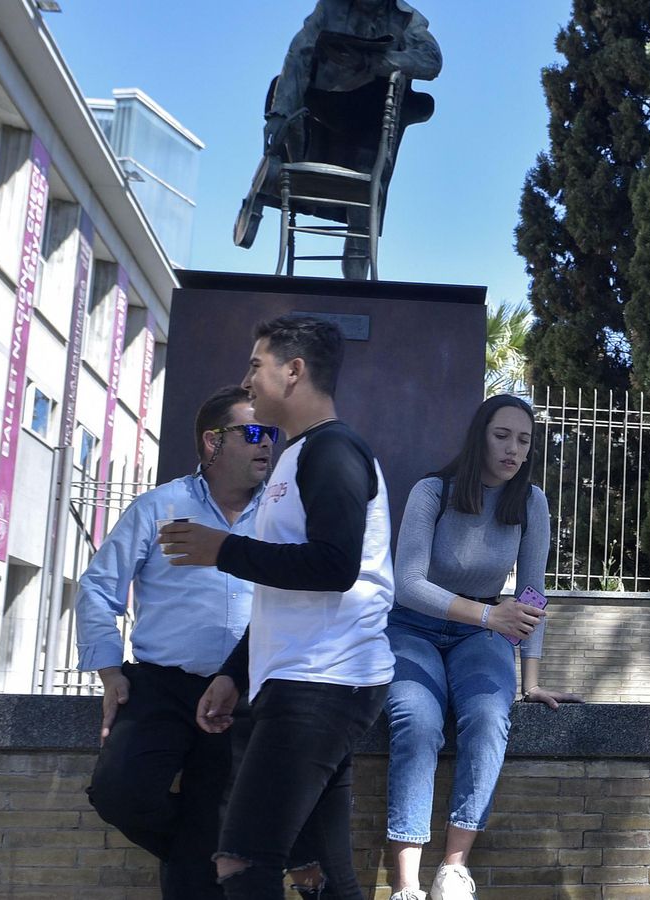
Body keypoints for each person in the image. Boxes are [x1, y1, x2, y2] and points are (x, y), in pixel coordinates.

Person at [159, 314, 394, 900]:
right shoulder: (297, 456)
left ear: (294, 372)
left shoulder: (333, 452)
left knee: (241, 861)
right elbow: (283, 588)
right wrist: (234, 674)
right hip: (310, 681)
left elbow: (334, 567)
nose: (246, 382)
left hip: (323, 683)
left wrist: (224, 550)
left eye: (255, 366)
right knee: (320, 875)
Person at [76, 386, 272, 900]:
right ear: (213, 441)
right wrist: (109, 670)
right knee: (119, 793)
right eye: (253, 432)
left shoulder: (281, 517)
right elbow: (98, 588)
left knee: (216, 824)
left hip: (246, 691)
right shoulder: (160, 506)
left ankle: (198, 854)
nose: (266, 444)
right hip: (162, 687)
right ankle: (196, 849)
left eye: (272, 433)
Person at [385, 394, 580, 900]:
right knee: (418, 720)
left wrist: (530, 679)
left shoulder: (530, 502)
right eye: (502, 436)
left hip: (482, 634)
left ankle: (453, 867)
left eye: (524, 439)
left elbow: (533, 591)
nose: (513, 449)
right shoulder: (433, 491)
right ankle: (406, 884)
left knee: (490, 718)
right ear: (479, 436)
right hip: (414, 626)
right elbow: (406, 583)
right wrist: (489, 614)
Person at [234, 0, 441, 278]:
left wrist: (374, 62)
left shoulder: (406, 18)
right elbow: (299, 51)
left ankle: (357, 258)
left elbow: (431, 60)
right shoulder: (330, 8)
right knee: (280, 91)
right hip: (320, 112)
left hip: (369, 116)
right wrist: (279, 113)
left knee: (369, 171)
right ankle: (272, 176)